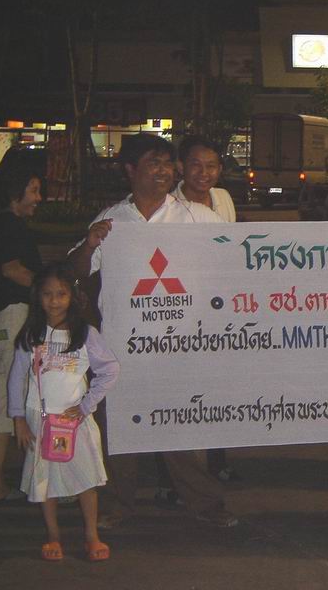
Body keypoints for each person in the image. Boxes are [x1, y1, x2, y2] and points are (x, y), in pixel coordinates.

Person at [66, 133, 238, 529]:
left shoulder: (193, 216)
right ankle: (117, 505)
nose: (163, 172)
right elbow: (76, 270)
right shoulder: (113, 219)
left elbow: (236, 251)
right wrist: (90, 245)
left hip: (178, 345)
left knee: (179, 426)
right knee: (119, 429)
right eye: (152, 163)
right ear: (130, 170)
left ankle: (206, 504)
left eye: (166, 164)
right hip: (122, 347)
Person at [8, 263, 120, 561]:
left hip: (75, 422)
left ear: (72, 296)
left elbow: (110, 370)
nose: (54, 301)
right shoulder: (31, 334)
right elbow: (17, 378)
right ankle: (53, 536)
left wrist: (85, 406)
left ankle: (91, 536)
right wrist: (18, 418)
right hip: (40, 419)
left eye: (61, 294)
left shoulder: (85, 333)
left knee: (86, 481)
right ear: (38, 296)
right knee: (45, 480)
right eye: (47, 294)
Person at [171, 135, 240, 483]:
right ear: (181, 167)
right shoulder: (169, 205)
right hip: (183, 309)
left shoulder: (223, 199)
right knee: (183, 392)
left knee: (219, 388)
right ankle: (176, 474)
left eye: (211, 166)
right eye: (196, 165)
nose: (204, 173)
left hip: (219, 307)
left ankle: (217, 460)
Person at [0, 162, 43, 502]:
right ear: (16, 193)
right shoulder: (12, 226)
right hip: (13, 316)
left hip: (0, 320)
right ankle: (11, 481)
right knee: (16, 395)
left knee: (7, 394)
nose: (39, 198)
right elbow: (12, 269)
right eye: (33, 190)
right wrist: (49, 290)